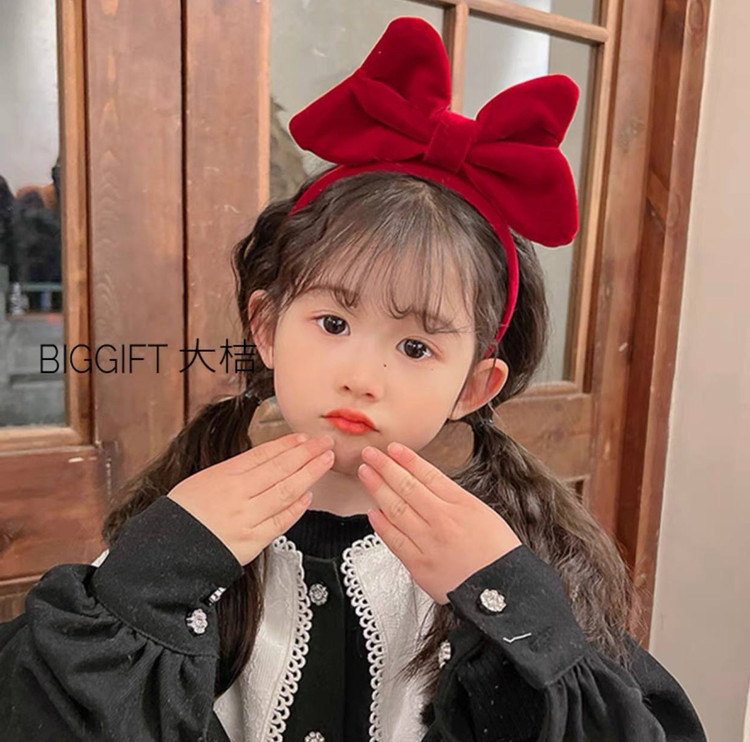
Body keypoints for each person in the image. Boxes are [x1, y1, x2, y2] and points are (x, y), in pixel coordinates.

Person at [0, 16, 707, 742]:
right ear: (266, 326)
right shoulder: (187, 523)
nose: (363, 378)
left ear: (474, 386)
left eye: (416, 346)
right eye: (333, 324)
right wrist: (163, 563)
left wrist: (507, 597)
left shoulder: (517, 560)